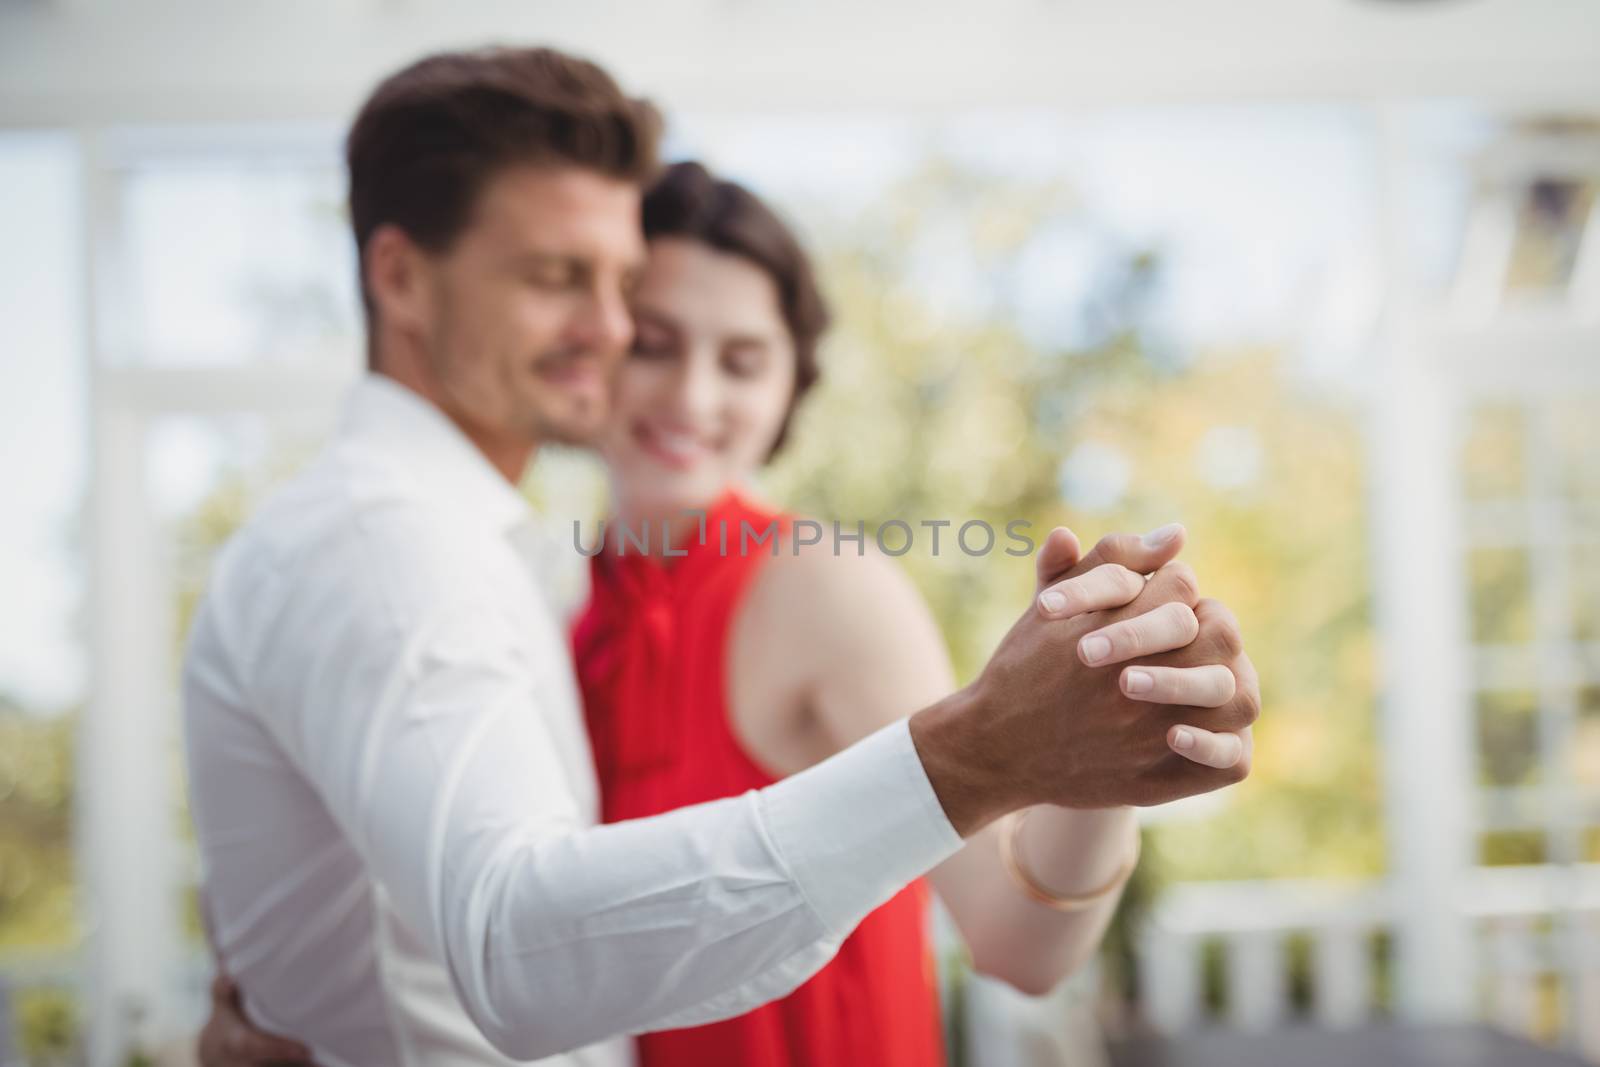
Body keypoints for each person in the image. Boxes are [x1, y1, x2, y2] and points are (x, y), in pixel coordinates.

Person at [183, 46, 1258, 1067]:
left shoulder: (823, 582)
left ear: (791, 384)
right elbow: (488, 912)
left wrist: (1095, 749)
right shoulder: (543, 592)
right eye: (649, 336)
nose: (689, 395)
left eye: (742, 359)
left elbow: (1022, 941)